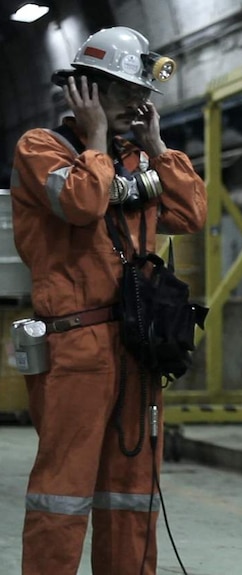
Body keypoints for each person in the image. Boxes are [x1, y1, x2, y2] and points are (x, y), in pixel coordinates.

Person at [10, 26, 207, 575]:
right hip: (76, 347)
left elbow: (191, 214)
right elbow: (80, 203)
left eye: (144, 95)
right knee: (63, 491)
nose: (140, 105)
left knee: (132, 489)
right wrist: (96, 143)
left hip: (135, 344)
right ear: (86, 91)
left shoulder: (135, 161)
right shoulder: (40, 149)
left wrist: (157, 148)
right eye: (127, 93)